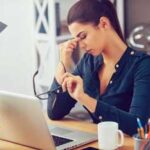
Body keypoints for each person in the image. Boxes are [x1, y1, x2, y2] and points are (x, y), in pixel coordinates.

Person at [47, 0, 150, 136]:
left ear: (103, 23)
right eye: (77, 40)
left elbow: (138, 125)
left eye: (83, 36)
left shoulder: (143, 65)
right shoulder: (88, 62)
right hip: (97, 143)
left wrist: (84, 99)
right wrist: (63, 63)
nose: (81, 45)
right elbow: (54, 113)